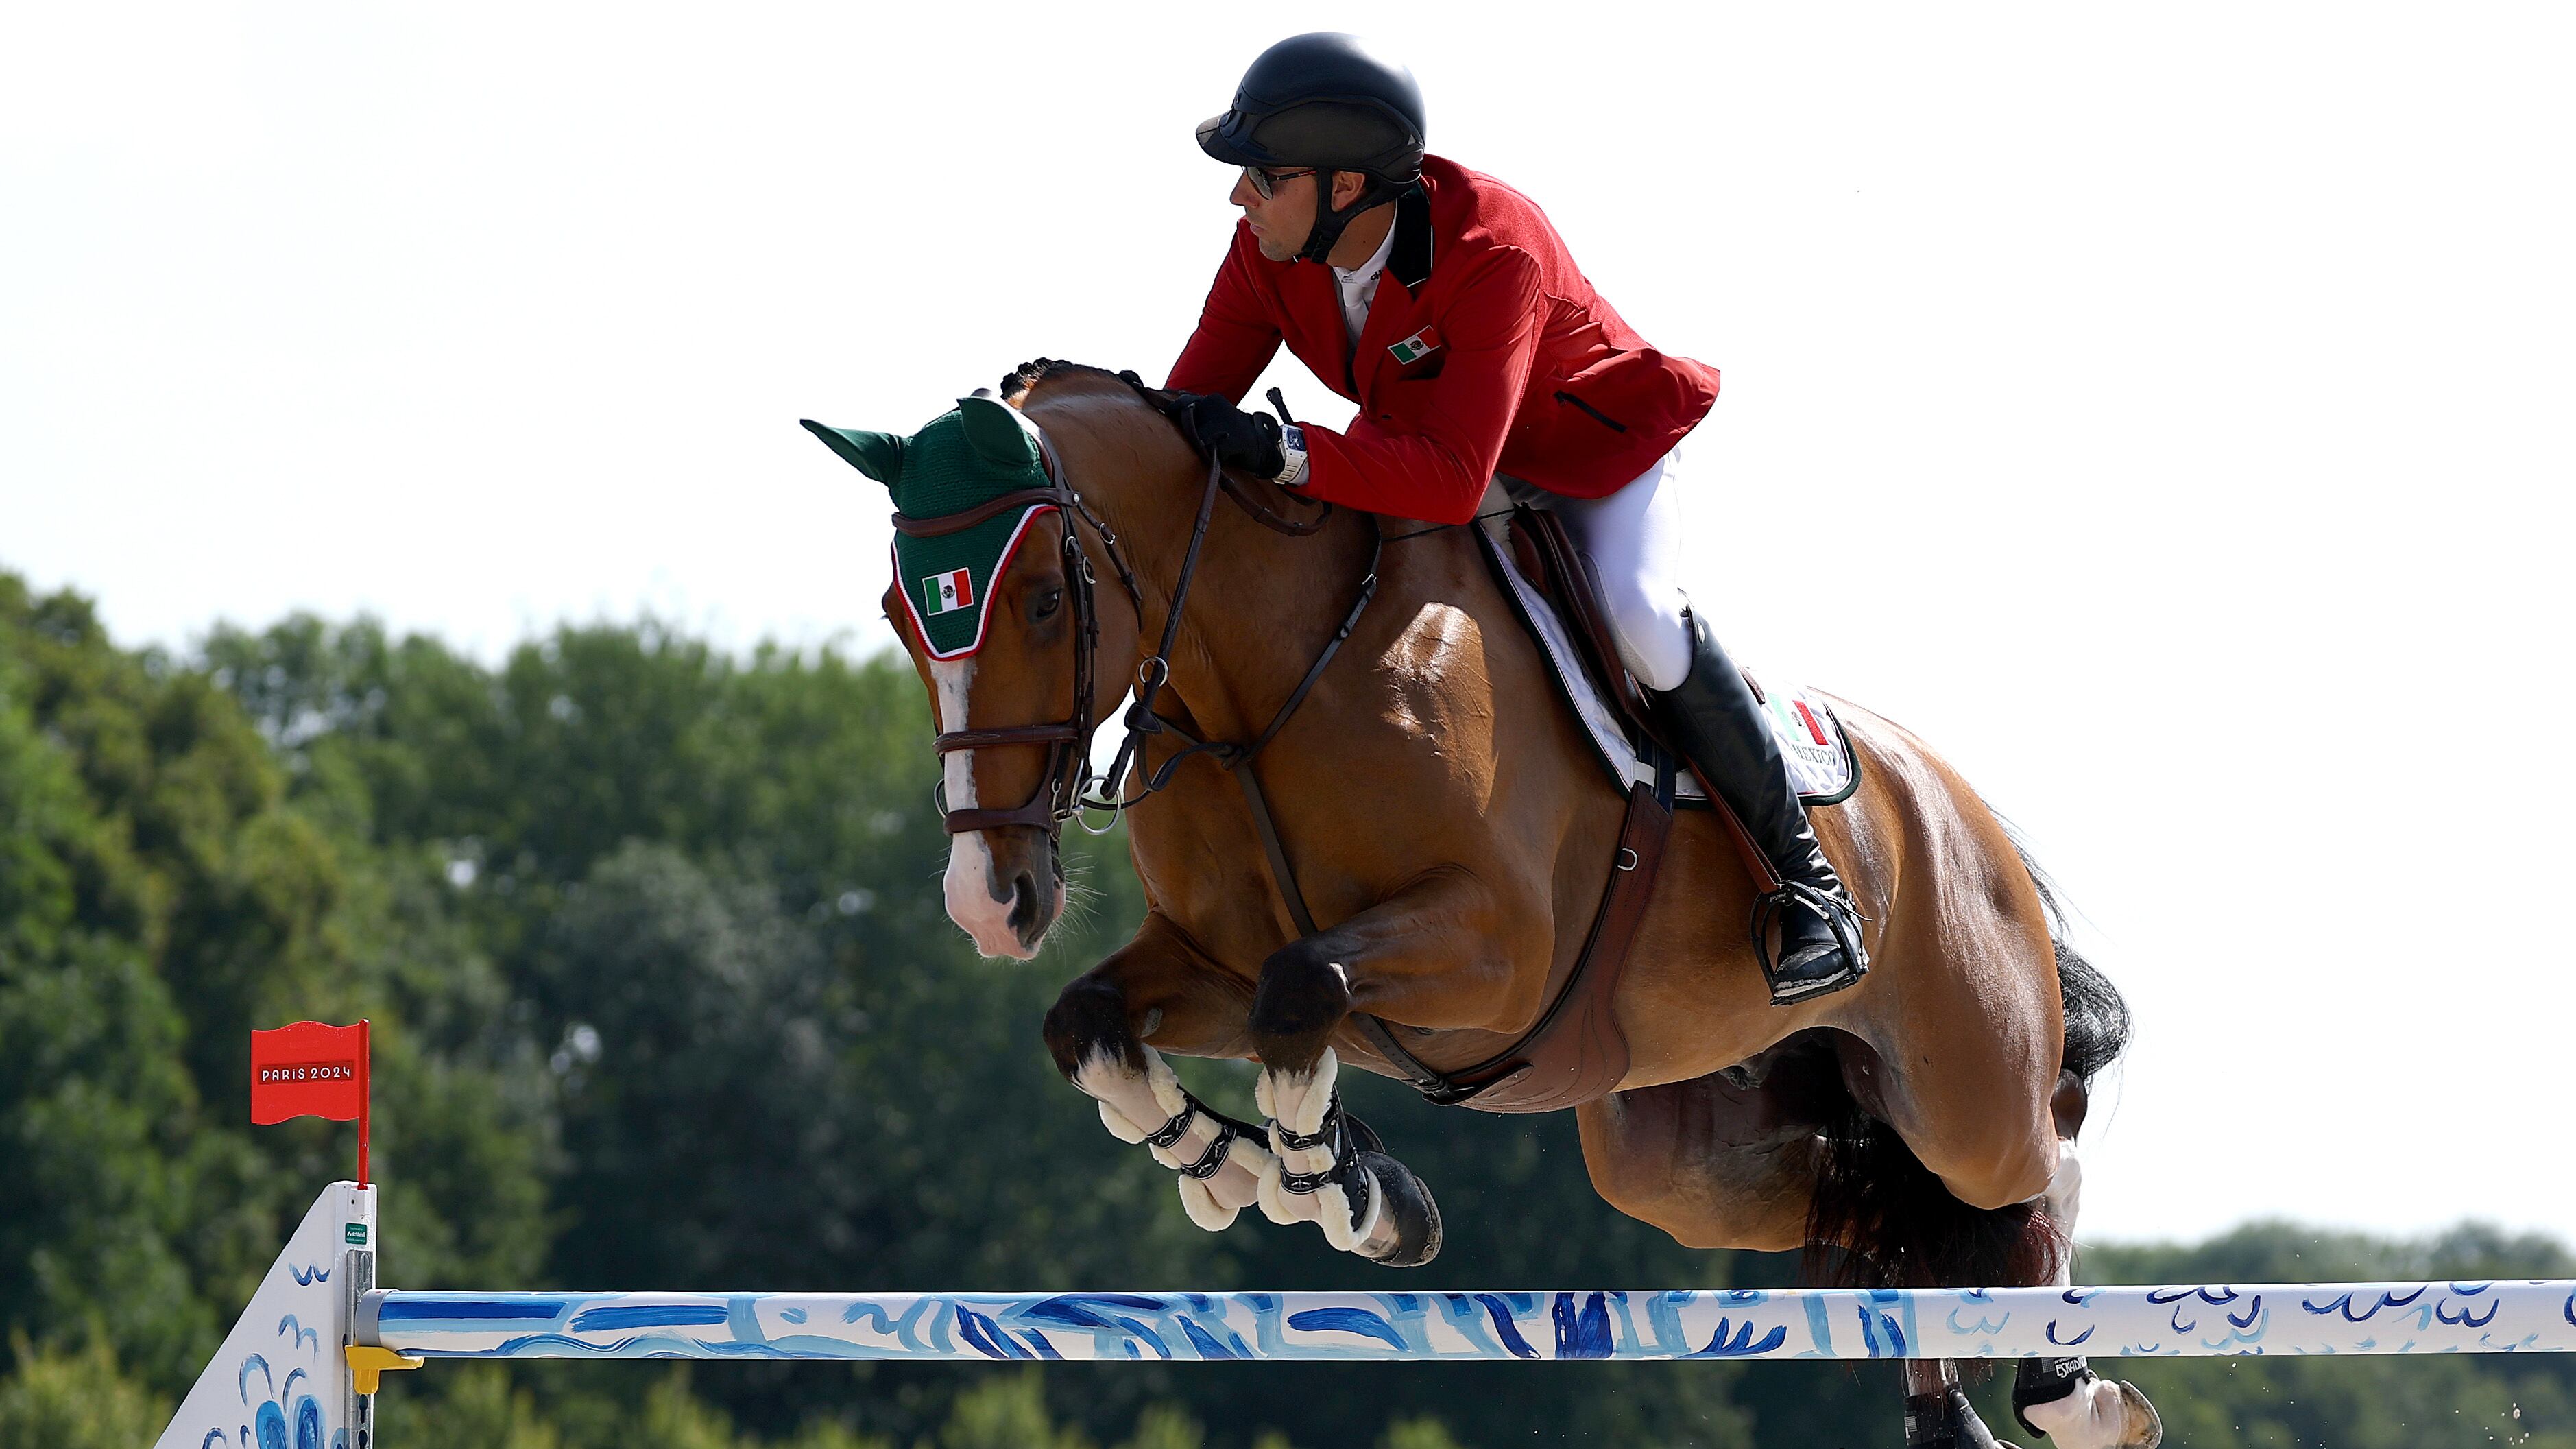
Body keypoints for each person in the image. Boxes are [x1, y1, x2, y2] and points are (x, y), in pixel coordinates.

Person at [1163, 34, 1868, 1005]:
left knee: (1639, 615)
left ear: (1341, 189)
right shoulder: (1268, 252)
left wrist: (1289, 453)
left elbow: (1454, 479)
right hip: (1430, 451)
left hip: (1589, 459)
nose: (1238, 197)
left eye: (1261, 175)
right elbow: (1188, 408)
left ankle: (1809, 887)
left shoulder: (1493, 245)